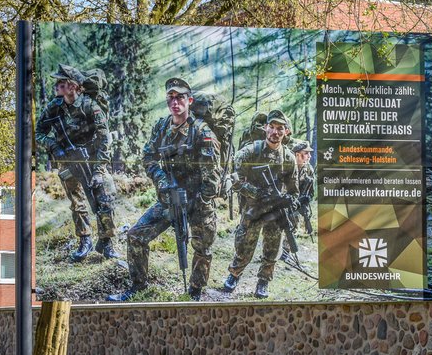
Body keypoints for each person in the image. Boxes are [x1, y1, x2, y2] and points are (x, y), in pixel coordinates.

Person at [108, 78, 219, 302]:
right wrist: (162, 182)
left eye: (179, 97)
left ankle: (195, 292)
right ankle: (138, 286)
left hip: (199, 201)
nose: (174, 102)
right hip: (170, 197)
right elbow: (148, 158)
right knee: (136, 236)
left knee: (202, 246)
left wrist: (199, 203)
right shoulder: (161, 127)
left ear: (189, 101)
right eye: (170, 98)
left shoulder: (202, 133)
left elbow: (212, 177)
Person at [36, 64, 119, 262]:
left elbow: (104, 138)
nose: (57, 86)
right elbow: (38, 133)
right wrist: (53, 146)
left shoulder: (90, 105)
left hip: (92, 158)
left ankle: (107, 242)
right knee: (77, 202)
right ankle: (85, 240)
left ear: (74, 86)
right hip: (68, 159)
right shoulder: (54, 106)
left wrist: (99, 170)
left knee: (105, 199)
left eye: (61, 83)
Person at [223, 110, 299, 298]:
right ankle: (234, 274)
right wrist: (256, 193)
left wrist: (289, 201)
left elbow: (293, 189)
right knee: (244, 245)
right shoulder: (251, 151)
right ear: (265, 128)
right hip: (254, 208)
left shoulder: (289, 158)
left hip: (275, 212)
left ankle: (263, 281)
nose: (275, 132)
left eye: (279, 129)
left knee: (272, 249)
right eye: (271, 127)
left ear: (286, 132)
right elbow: (235, 178)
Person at [280, 139, 314, 265]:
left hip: (297, 203)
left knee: (294, 223)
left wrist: (305, 200)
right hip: (282, 202)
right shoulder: (287, 166)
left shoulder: (309, 169)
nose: (309, 156)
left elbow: (311, 191)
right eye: (306, 153)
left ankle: (285, 252)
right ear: (297, 154)